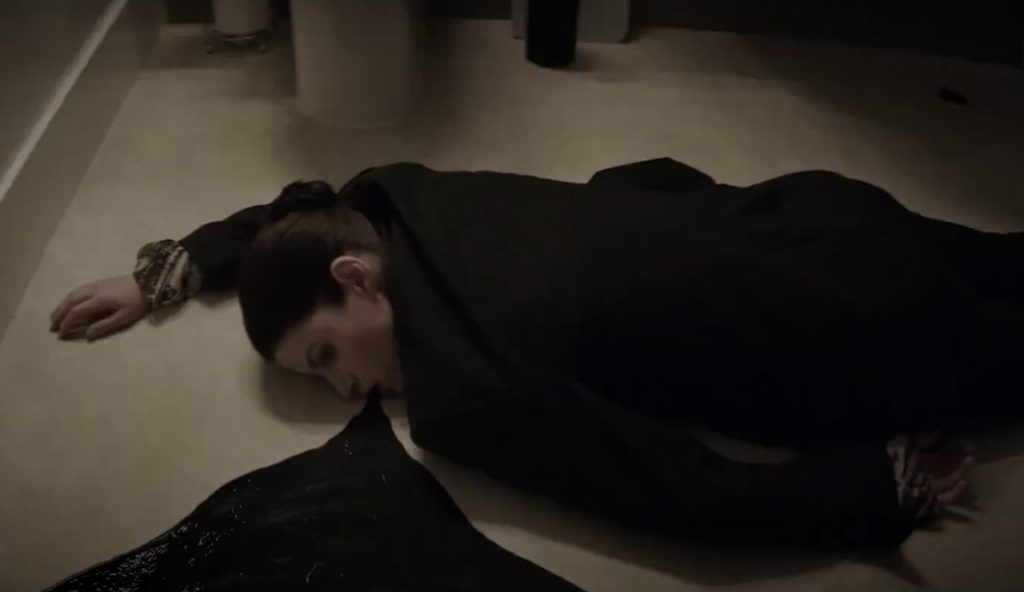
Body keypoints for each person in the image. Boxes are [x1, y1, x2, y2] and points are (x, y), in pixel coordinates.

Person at [52, 158, 1018, 549]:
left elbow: (670, 489)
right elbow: (298, 210)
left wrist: (868, 490)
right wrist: (175, 269)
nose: (347, 389)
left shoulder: (462, 393)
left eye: (325, 356)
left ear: (356, 278)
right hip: (813, 212)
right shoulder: (396, 199)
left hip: (863, 341)